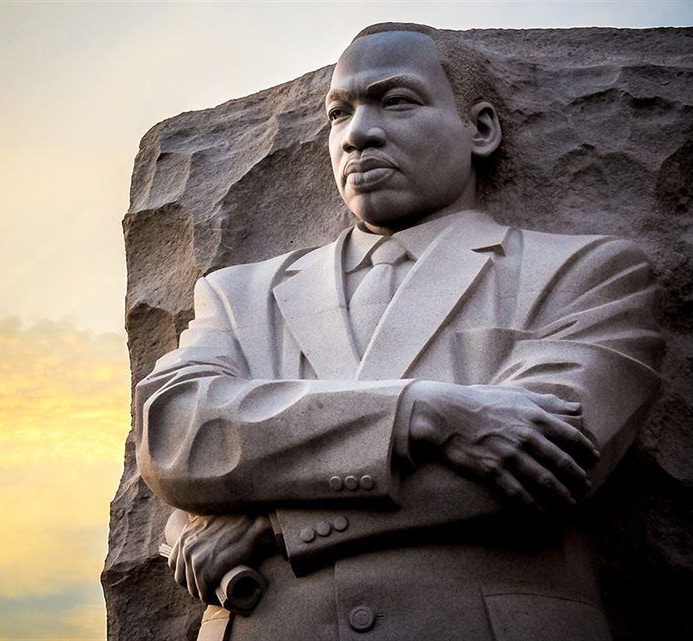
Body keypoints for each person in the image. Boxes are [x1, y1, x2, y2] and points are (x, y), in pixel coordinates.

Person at [135, 23, 664, 641]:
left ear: (480, 129)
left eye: (397, 100)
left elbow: (552, 458)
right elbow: (175, 436)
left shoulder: (583, 273)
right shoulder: (239, 295)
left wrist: (268, 524)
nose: (358, 133)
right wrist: (423, 413)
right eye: (339, 113)